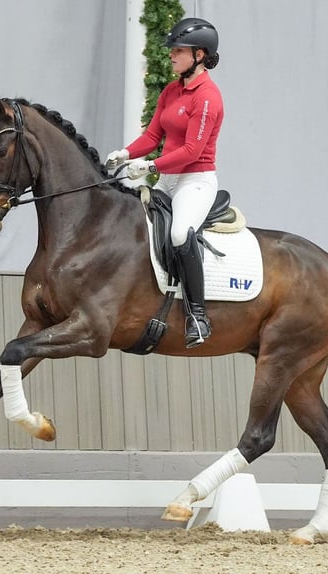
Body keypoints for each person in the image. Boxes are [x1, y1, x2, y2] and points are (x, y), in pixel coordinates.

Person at [107, 17, 223, 349]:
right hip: (167, 179)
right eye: (172, 50)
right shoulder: (172, 90)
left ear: (199, 55)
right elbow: (153, 135)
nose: (171, 55)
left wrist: (151, 165)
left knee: (178, 233)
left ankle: (198, 317)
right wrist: (126, 153)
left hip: (195, 181)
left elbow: (191, 151)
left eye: (178, 50)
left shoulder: (208, 97)